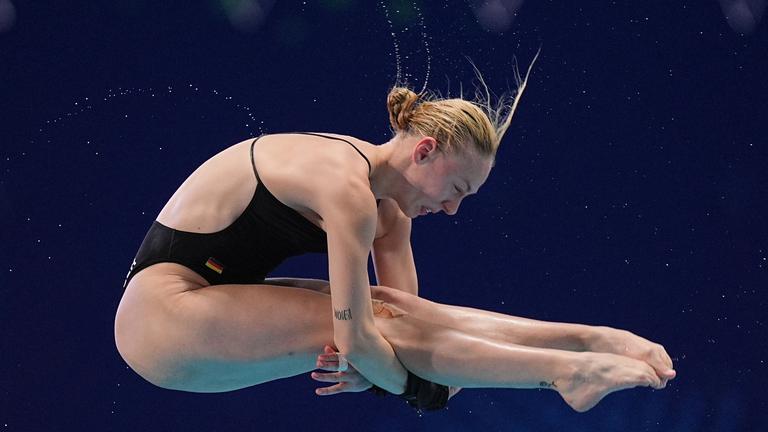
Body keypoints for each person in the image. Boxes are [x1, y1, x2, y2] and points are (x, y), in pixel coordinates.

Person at [114, 58, 676, 412]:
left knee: (392, 311)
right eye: (455, 189)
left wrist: (389, 369)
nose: (451, 209)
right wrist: (422, 389)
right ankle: (565, 373)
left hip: (213, 304)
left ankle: (587, 341)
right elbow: (365, 342)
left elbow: (411, 321)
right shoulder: (347, 190)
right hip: (162, 322)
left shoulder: (389, 213)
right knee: (379, 325)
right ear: (424, 151)